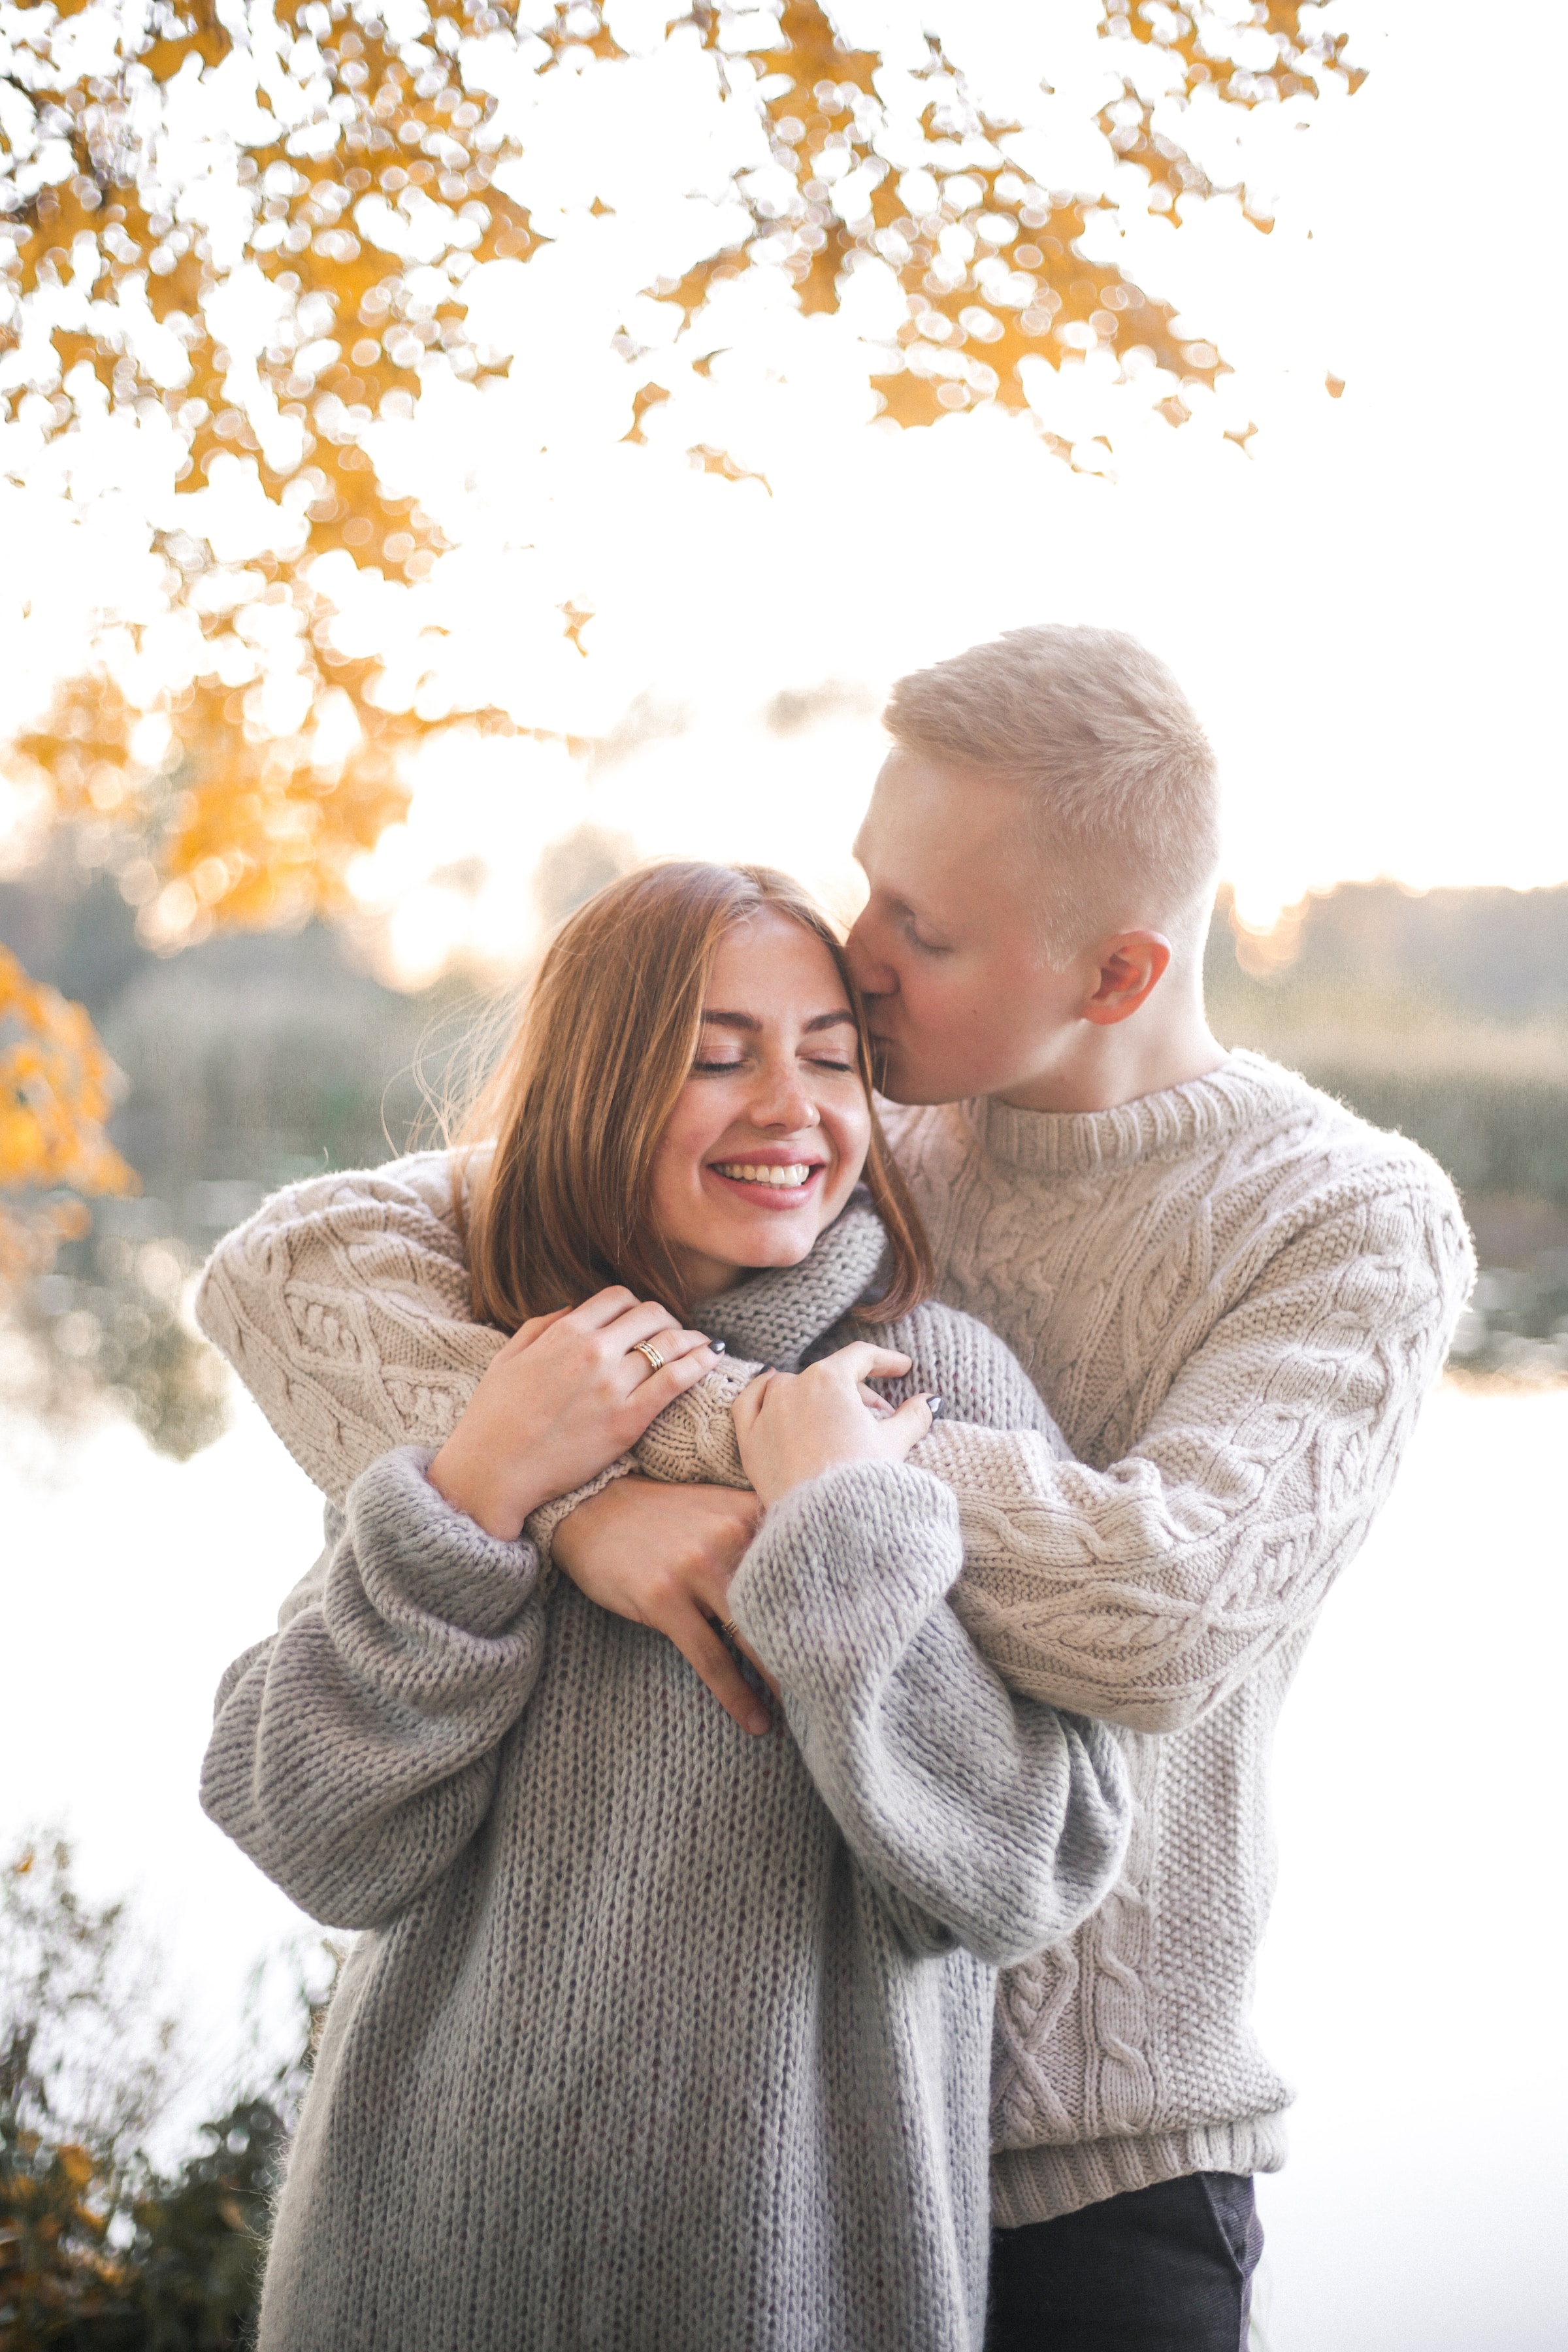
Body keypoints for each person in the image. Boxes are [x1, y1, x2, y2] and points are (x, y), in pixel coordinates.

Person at [199, 626, 1475, 2352]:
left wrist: (790, 1463)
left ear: (1111, 976)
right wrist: (567, 1502)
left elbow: (1160, 1613)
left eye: (919, 936)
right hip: (716, 2133)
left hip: (1091, 2164)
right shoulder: (837, 1131)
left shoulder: (1345, 1218)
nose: (858, 969)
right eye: (873, 891)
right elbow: (303, 1266)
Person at [198, 860, 1132, 2352]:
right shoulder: (486, 1377)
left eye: (832, 1056)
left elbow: (1021, 1872)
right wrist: (486, 1500)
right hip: (420, 2278)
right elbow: (308, 1830)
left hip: (797, 2288)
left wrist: (839, 1527)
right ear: (593, 1091)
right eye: (716, 1057)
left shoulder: (935, 1395)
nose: (789, 1104)